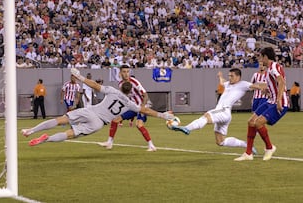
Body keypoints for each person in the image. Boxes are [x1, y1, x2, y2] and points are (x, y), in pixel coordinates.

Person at [21, 68, 174, 147]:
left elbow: (94, 85)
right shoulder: (130, 104)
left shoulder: (113, 90)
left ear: (121, 87)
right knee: (70, 134)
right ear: (130, 92)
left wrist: (79, 77)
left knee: (61, 120)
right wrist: (162, 115)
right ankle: (46, 139)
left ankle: (30, 131)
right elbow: (145, 110)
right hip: (99, 123)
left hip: (91, 111)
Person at [170, 69, 266, 153]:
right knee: (220, 142)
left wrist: (268, 86)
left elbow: (256, 85)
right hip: (225, 114)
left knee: (206, 116)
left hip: (223, 110)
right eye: (229, 76)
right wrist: (220, 77)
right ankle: (247, 145)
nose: (230, 78)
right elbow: (222, 82)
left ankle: (187, 128)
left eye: (232, 76)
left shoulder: (243, 84)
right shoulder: (227, 84)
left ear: (238, 77)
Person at [235, 47, 289, 161]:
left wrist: (279, 100)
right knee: (251, 122)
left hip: (280, 102)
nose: (260, 59)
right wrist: (267, 90)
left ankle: (269, 148)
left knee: (259, 123)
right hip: (270, 101)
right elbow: (273, 84)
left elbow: (281, 82)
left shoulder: (274, 66)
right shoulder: (269, 69)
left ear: (265, 56)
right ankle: (248, 153)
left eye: (261, 56)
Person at [98, 65, 157, 151]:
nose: (126, 74)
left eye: (127, 72)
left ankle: (151, 145)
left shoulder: (135, 82)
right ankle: (109, 142)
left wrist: (142, 107)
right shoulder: (121, 84)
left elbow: (145, 95)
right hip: (132, 107)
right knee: (115, 120)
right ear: (120, 73)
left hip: (141, 106)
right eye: (124, 72)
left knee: (139, 125)